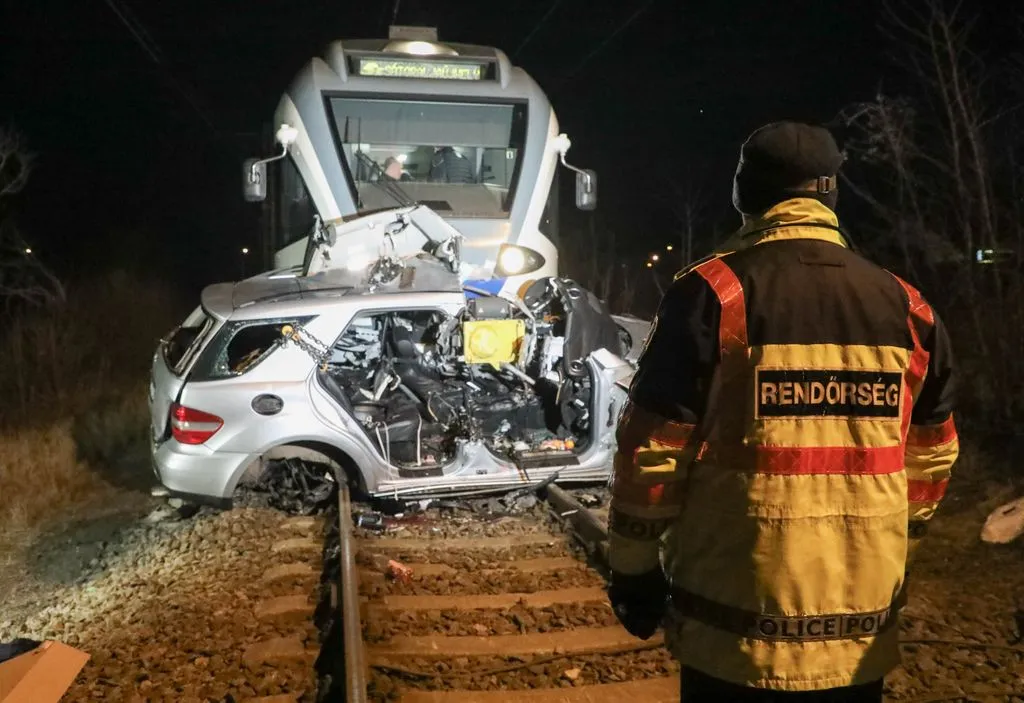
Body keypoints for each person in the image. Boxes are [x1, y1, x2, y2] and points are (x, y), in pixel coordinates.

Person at [607, 121, 959, 702]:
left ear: (745, 192)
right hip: (860, 625)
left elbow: (653, 450)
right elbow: (932, 460)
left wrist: (634, 567)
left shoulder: (713, 294)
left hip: (733, 628)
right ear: (830, 196)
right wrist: (897, 552)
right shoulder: (909, 306)